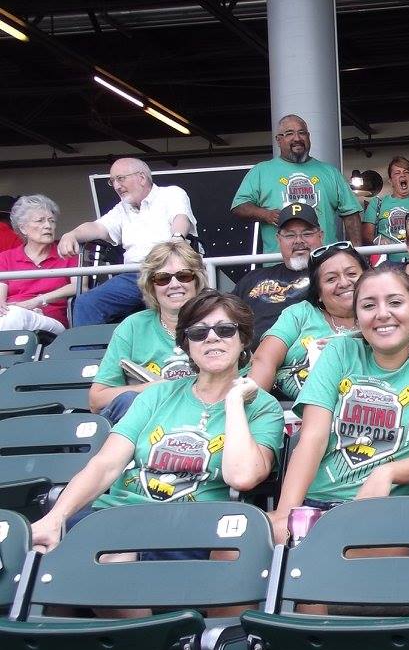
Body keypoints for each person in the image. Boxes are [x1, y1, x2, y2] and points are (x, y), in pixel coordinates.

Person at [30, 289, 285, 552]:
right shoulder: (156, 395)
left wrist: (233, 403)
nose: (211, 338)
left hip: (193, 528)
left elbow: (242, 477)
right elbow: (105, 465)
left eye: (225, 330)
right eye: (198, 332)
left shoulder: (263, 408)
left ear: (243, 339)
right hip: (120, 515)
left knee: (116, 560)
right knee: (38, 550)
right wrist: (54, 518)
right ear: (186, 344)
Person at [268, 265, 409, 544]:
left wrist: (388, 472)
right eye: (368, 305)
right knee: (236, 544)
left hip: (387, 511)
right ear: (358, 318)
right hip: (316, 504)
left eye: (395, 302)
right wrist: (285, 514)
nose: (382, 313)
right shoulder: (340, 351)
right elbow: (312, 439)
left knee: (347, 552)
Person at [59, 158, 198, 326]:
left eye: (121, 178)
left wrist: (177, 238)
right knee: (86, 303)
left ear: (142, 177)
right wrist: (71, 234)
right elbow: (97, 227)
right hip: (135, 276)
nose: (116, 186)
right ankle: (89, 353)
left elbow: (180, 217)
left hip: (170, 270)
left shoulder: (171, 193)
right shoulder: (121, 209)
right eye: (112, 181)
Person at [89, 242, 207, 421]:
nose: (174, 284)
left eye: (184, 276)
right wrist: (152, 388)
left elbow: (245, 384)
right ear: (151, 285)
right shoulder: (133, 327)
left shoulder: (218, 324)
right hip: (144, 424)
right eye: (162, 278)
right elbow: (96, 400)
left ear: (197, 281)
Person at [249, 241, 369, 401]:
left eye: (352, 274)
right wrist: (251, 408)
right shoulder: (301, 313)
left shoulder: (383, 316)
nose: (344, 283)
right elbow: (265, 360)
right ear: (318, 292)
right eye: (331, 279)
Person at [231, 114, 361, 255]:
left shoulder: (330, 172)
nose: (297, 138)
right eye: (289, 134)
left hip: (324, 262)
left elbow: (351, 214)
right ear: (279, 140)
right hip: (278, 263)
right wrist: (265, 214)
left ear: (308, 137)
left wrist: (356, 254)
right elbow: (239, 207)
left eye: (302, 133)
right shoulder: (261, 171)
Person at [232, 204, 326, 341]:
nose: (299, 241)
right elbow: (225, 314)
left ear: (320, 236)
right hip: (252, 356)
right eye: (290, 235)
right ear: (278, 239)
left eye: (307, 234)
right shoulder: (253, 278)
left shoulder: (331, 275)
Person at [0, 194, 78, 335]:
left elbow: (79, 286)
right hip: (10, 315)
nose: (48, 226)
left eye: (51, 221)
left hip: (50, 319)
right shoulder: (6, 257)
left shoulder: (67, 253)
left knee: (16, 316)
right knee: (12, 315)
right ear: (23, 228)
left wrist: (35, 302)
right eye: (40, 221)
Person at [361, 155, 409, 246]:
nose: (402, 175)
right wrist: (377, 240)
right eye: (397, 173)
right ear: (391, 181)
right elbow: (366, 235)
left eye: (406, 172)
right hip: (388, 259)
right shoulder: (377, 203)